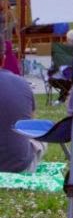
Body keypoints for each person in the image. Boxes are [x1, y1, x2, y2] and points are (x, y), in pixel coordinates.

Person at [0, 39, 47, 173]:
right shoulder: (21, 83)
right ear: (3, 59)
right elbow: (30, 125)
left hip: (16, 163)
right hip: (18, 166)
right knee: (40, 136)